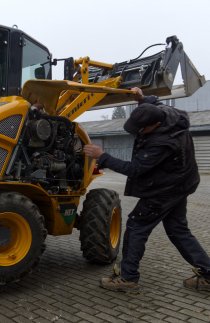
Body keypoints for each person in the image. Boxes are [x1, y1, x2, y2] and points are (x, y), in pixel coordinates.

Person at [83, 87, 210, 292]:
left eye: (142, 129)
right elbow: (155, 103)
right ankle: (208, 274)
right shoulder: (170, 114)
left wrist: (102, 155)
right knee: (178, 230)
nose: (139, 133)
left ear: (155, 125)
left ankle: (128, 278)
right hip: (181, 183)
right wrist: (142, 99)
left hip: (165, 189)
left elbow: (134, 169)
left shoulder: (161, 143)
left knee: (136, 227)